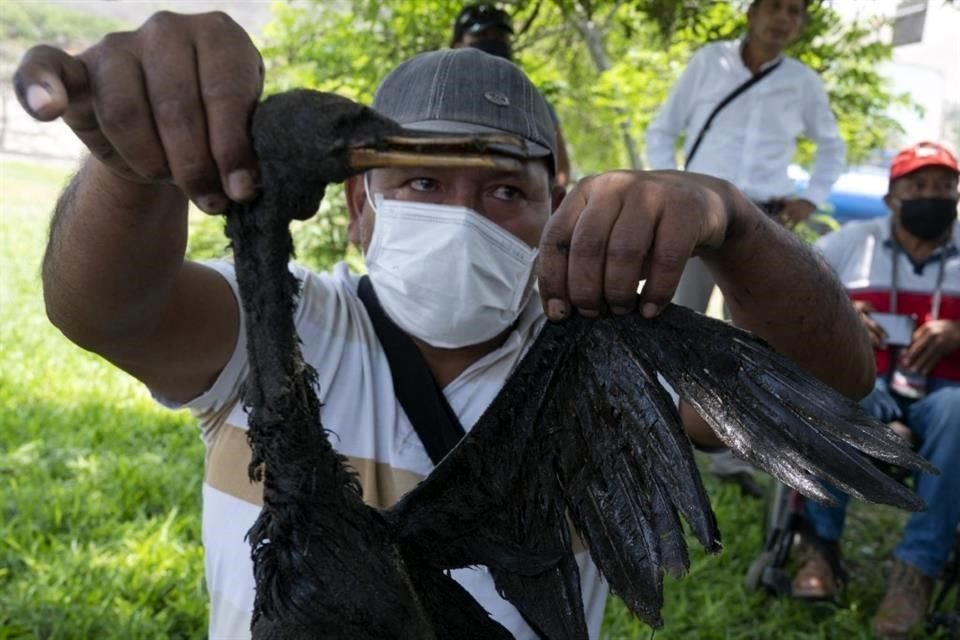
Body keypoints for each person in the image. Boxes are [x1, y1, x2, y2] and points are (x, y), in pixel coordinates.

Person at [15, 11, 874, 639]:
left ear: (555, 207)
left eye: (504, 189)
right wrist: (129, 165)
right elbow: (102, 308)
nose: (463, 210)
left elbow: (828, 389)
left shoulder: (599, 365)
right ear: (358, 208)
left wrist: (734, 218)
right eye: (421, 183)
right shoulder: (277, 328)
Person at [645, 0, 847, 489]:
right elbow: (662, 129)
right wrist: (669, 186)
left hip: (762, 222)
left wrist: (810, 199)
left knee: (757, 341)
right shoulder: (707, 61)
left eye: (795, 11)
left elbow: (832, 145)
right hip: (696, 211)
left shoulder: (802, 81)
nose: (783, 18)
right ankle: (653, 436)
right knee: (669, 321)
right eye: (774, 7)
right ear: (751, 12)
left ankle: (739, 447)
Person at [792, 141, 960, 639]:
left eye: (945, 187)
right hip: (869, 389)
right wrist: (840, 318)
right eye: (919, 187)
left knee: (958, 409)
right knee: (830, 396)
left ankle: (917, 571)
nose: (934, 196)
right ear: (892, 198)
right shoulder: (849, 243)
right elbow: (793, 301)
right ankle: (819, 549)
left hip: (943, 399)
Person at [450, 2, 573, 188]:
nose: (492, 42)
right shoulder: (438, 94)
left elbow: (560, 168)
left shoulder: (530, 99)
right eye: (481, 35)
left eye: (499, 36)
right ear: (457, 44)